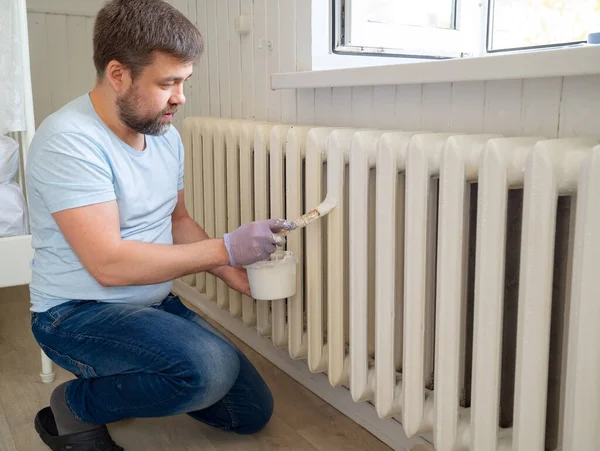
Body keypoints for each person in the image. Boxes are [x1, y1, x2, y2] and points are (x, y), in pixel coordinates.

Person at [26, 1, 295, 450]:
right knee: (205, 369)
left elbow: (178, 220)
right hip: (75, 312)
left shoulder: (163, 134)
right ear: (118, 75)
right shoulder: (69, 142)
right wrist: (227, 249)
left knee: (249, 412)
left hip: (151, 302)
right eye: (168, 82)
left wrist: (237, 275)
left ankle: (135, 372)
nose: (180, 97)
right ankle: (73, 405)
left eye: (184, 81)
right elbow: (109, 265)